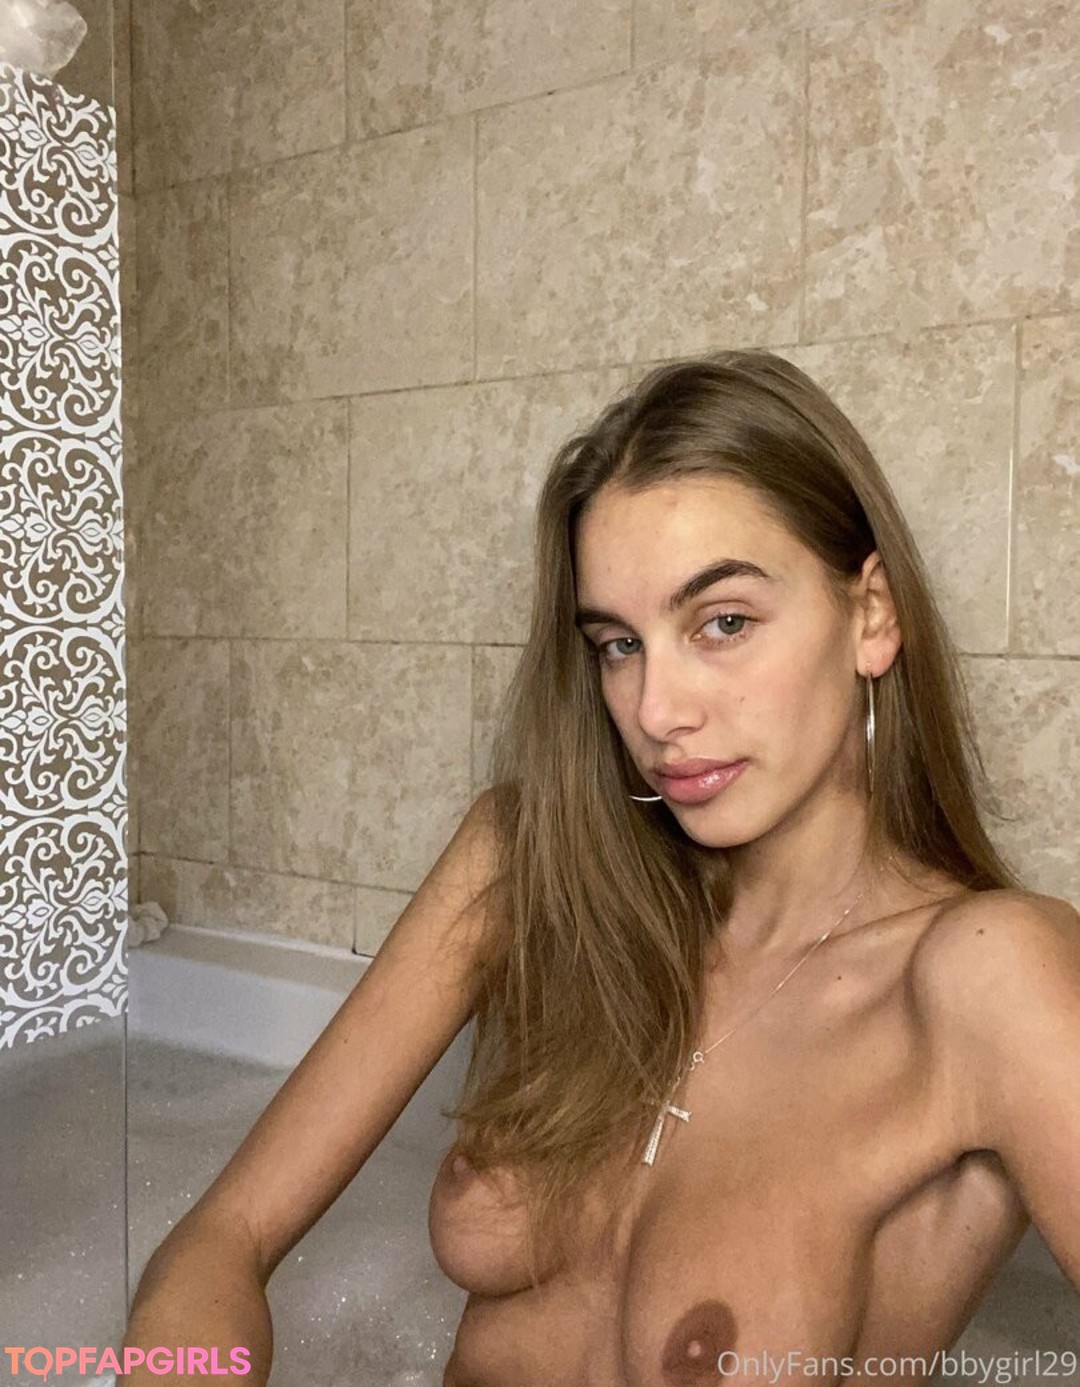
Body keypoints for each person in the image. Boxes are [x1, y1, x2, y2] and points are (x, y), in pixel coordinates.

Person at [120, 351, 1080, 1386]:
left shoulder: (984, 976)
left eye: (723, 623)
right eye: (619, 644)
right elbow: (222, 1238)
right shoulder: (536, 871)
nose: (657, 711)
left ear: (872, 615)